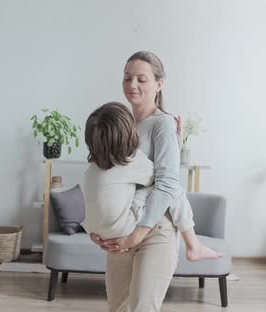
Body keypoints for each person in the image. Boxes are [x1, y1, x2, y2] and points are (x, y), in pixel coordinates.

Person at [87, 51, 217, 312]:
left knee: (142, 308)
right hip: (123, 230)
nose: (132, 85)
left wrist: (136, 236)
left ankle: (193, 246)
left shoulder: (163, 124)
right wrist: (98, 231)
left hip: (155, 230)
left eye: (141, 79)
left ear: (159, 84)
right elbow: (102, 179)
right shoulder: (121, 123)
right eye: (127, 78)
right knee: (118, 307)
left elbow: (168, 184)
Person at [82, 102, 221, 262]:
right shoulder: (130, 161)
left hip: (95, 230)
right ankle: (193, 245)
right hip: (119, 227)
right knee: (171, 188)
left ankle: (194, 246)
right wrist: (177, 143)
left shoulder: (93, 165)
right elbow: (164, 177)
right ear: (128, 132)